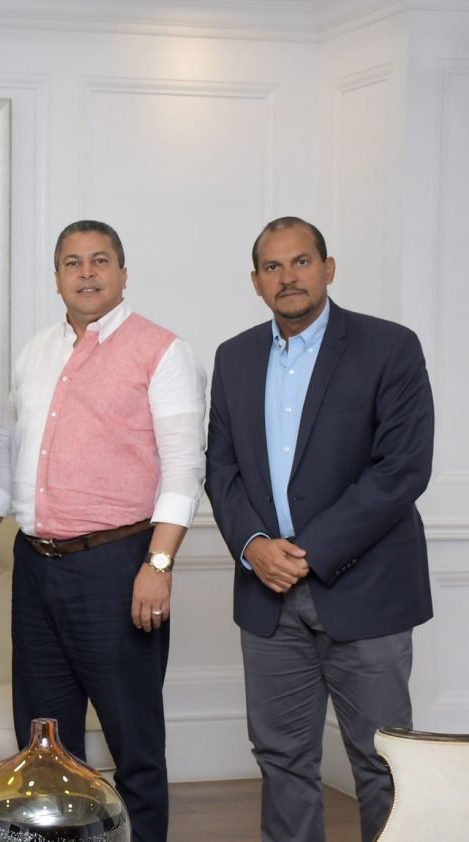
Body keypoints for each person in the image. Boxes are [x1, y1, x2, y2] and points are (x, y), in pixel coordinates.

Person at [0, 219, 206, 842]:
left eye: (100, 260)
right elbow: (7, 454)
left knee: (135, 744)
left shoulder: (163, 350)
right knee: (44, 749)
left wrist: (158, 565)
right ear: (56, 278)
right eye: (72, 263)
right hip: (36, 567)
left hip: (117, 567)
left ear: (123, 273)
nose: (87, 273)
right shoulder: (35, 352)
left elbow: (184, 467)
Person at [205, 216, 434, 842]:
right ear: (256, 281)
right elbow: (220, 469)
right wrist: (254, 547)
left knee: (383, 764)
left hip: (367, 591)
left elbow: (402, 469)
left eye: (301, 262)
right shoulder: (234, 357)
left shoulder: (389, 347)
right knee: (281, 760)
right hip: (267, 594)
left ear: (328, 269)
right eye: (272, 267)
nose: (288, 277)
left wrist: (307, 552)